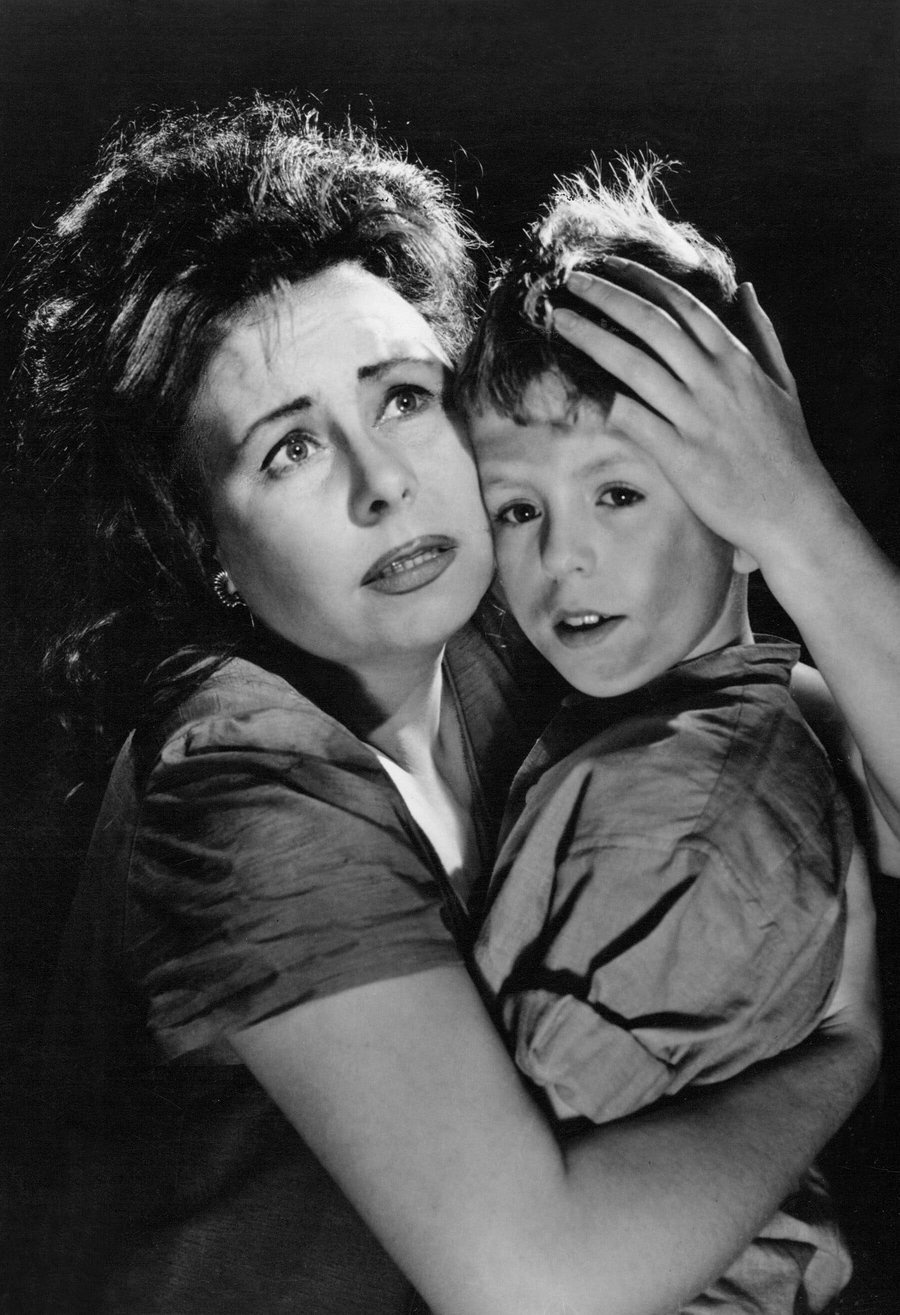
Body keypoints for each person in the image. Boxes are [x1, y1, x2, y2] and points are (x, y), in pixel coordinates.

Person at [10, 100, 884, 1315]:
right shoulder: (235, 779)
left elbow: (812, 724)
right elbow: (533, 1287)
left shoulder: (500, 625)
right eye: (289, 450)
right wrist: (844, 1053)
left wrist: (791, 512)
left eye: (402, 398)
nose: (384, 485)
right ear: (205, 546)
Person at [460, 163, 855, 1312]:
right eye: (518, 508)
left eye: (618, 495)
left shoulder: (673, 819)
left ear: (746, 516)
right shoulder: (684, 725)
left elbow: (507, 1217)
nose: (561, 555)